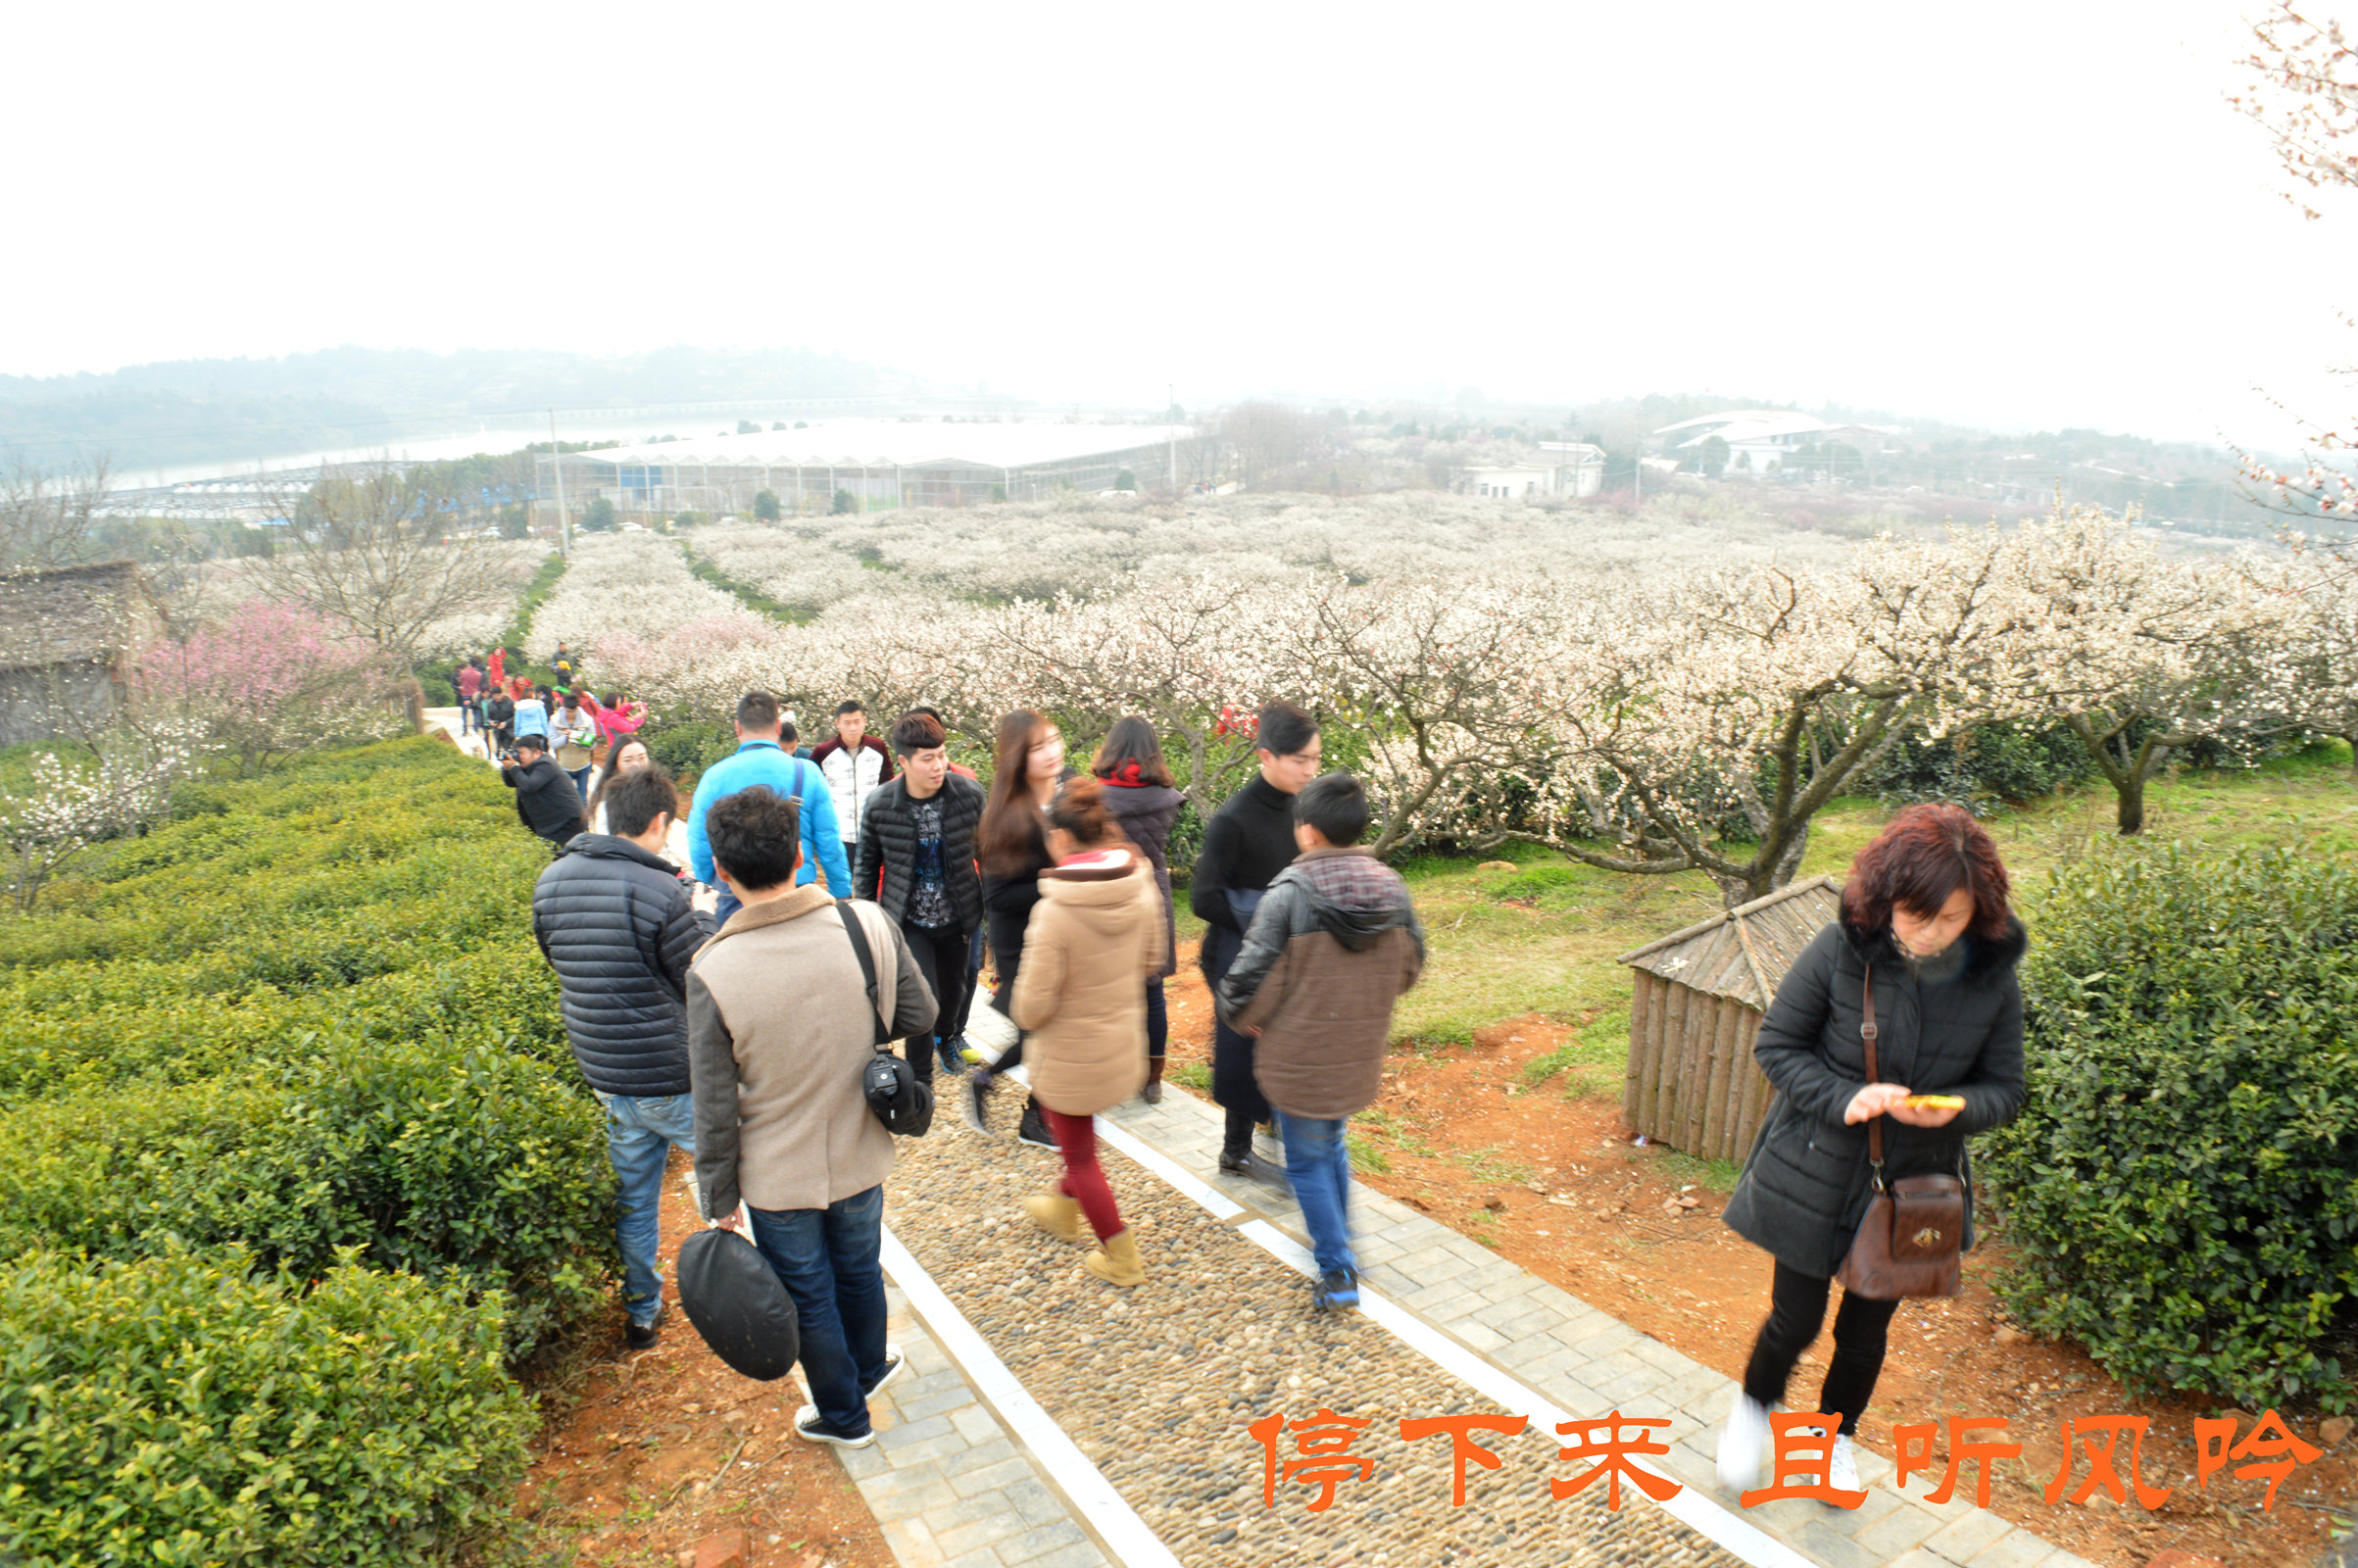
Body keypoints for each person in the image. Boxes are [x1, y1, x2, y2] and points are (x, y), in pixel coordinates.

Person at [1715, 804, 2028, 1497]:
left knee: (1864, 1332)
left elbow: (2005, 1090)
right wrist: (1843, 1097)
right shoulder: (1840, 950)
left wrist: (1948, 1108)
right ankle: (1754, 1411)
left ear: (1979, 910)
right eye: (1919, 916)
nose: (1932, 934)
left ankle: (1833, 1441)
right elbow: (1778, 1046)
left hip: (1916, 1180)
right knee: (1794, 1321)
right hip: (1813, 1165)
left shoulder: (1992, 979)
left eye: (1952, 919)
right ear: (1886, 900)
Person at [687, 785, 935, 1449]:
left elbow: (713, 1103)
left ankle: (845, 1415)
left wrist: (718, 1196)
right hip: (859, 1151)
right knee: (859, 1270)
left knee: (810, 1296)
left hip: (776, 1175)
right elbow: (923, 1016)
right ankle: (869, 1369)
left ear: (720, 869)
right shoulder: (866, 925)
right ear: (800, 855)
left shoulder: (712, 970)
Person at [1217, 772, 1425, 1311]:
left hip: (1299, 1052)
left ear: (1305, 831)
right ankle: (1344, 1246)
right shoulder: (1392, 888)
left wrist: (1240, 1015)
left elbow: (1250, 975)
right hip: (1357, 1046)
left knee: (1308, 1159)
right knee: (1330, 1142)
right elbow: (1411, 964)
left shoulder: (1289, 893)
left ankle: (1338, 1271)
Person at [530, 763, 714, 1347]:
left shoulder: (550, 880)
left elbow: (560, 963)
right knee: (744, 1177)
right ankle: (767, 1292)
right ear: (660, 821)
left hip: (608, 1076)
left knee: (634, 1200)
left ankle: (642, 1312)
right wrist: (704, 915)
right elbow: (701, 981)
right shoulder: (661, 890)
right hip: (671, 1075)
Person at [1009, 778, 1164, 1287]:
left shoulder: (1054, 911)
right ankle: (1060, 1210)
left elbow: (1030, 1009)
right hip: (1122, 1045)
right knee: (1080, 1144)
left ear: (1059, 836)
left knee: (1080, 1157)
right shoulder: (1139, 882)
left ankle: (1122, 1257)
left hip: (1071, 1058)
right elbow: (1153, 960)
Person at [1190, 700, 1322, 1187]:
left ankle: (1275, 1129)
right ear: (1266, 756)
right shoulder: (1234, 818)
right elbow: (1203, 899)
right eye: (1300, 760)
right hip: (1237, 954)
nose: (1311, 770)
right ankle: (1236, 1151)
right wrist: (1267, 917)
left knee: (1283, 1044)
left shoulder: (1302, 809)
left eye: (1316, 759)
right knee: (1247, 1049)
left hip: (1287, 952)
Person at [854, 710, 985, 1102]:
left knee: (954, 991)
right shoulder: (880, 805)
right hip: (908, 919)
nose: (938, 765)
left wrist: (992, 908)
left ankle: (949, 1037)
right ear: (905, 762)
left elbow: (991, 852)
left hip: (960, 914)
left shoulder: (968, 794)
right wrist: (864, 923)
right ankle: (921, 1079)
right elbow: (866, 865)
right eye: (927, 759)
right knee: (922, 998)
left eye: (942, 755)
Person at [974, 709, 1071, 1150]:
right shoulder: (1008, 815)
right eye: (1037, 748)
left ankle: (1002, 1090)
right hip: (1023, 942)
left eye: (1053, 739)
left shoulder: (1069, 790)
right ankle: (1028, 1111)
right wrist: (1057, 883)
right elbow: (997, 898)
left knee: (1047, 1033)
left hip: (1064, 933)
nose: (1051, 752)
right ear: (1018, 758)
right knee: (1041, 1033)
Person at [687, 691, 851, 923]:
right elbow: (828, 840)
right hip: (796, 892)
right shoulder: (807, 772)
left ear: (737, 727)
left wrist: (708, 882)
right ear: (777, 726)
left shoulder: (715, 776)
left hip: (735, 892)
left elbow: (699, 841)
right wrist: (841, 890)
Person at [1092, 716, 1184, 1104]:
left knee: (1111, 992)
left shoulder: (1095, 798)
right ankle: (1152, 1080)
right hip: (1153, 894)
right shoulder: (1166, 796)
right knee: (1153, 992)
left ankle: (1116, 1072)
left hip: (1109, 890)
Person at [811, 701, 895, 871]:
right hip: (838, 833)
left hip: (872, 831)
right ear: (837, 724)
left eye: (857, 722)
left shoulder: (878, 748)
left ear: (864, 721)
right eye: (847, 723)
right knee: (842, 885)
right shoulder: (823, 752)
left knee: (871, 882)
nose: (853, 728)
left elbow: (888, 787)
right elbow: (812, 788)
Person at [502, 733, 585, 853]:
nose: (519, 757)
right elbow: (510, 782)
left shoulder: (545, 764)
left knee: (560, 859)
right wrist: (507, 768)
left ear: (537, 753)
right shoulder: (527, 766)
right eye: (517, 753)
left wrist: (514, 768)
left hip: (566, 823)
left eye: (522, 753)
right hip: (552, 825)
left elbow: (530, 786)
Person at [553, 691, 602, 799]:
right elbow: (552, 743)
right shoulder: (554, 720)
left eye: (571, 711)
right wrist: (565, 738)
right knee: (568, 798)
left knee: (582, 798)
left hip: (583, 765)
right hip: (564, 766)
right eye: (566, 711)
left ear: (577, 709)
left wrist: (577, 737)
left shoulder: (587, 720)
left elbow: (593, 744)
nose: (568, 714)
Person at [512, 679, 550, 746]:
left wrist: (516, 734)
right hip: (538, 733)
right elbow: (544, 720)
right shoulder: (539, 705)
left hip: (524, 733)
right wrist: (547, 733)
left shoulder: (519, 706)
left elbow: (517, 722)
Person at [486, 682, 516, 760]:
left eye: (498, 695)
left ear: (502, 694)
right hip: (497, 731)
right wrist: (490, 722)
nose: (497, 697)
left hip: (508, 730)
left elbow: (515, 716)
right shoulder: (490, 704)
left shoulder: (510, 703)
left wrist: (506, 723)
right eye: (495, 695)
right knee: (498, 748)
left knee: (506, 749)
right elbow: (488, 717)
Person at [457, 658, 482, 734]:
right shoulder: (479, 674)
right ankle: (476, 729)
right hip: (474, 695)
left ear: (469, 664)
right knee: (476, 712)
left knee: (465, 712)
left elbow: (460, 680)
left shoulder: (463, 673)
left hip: (465, 695)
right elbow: (478, 683)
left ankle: (465, 730)